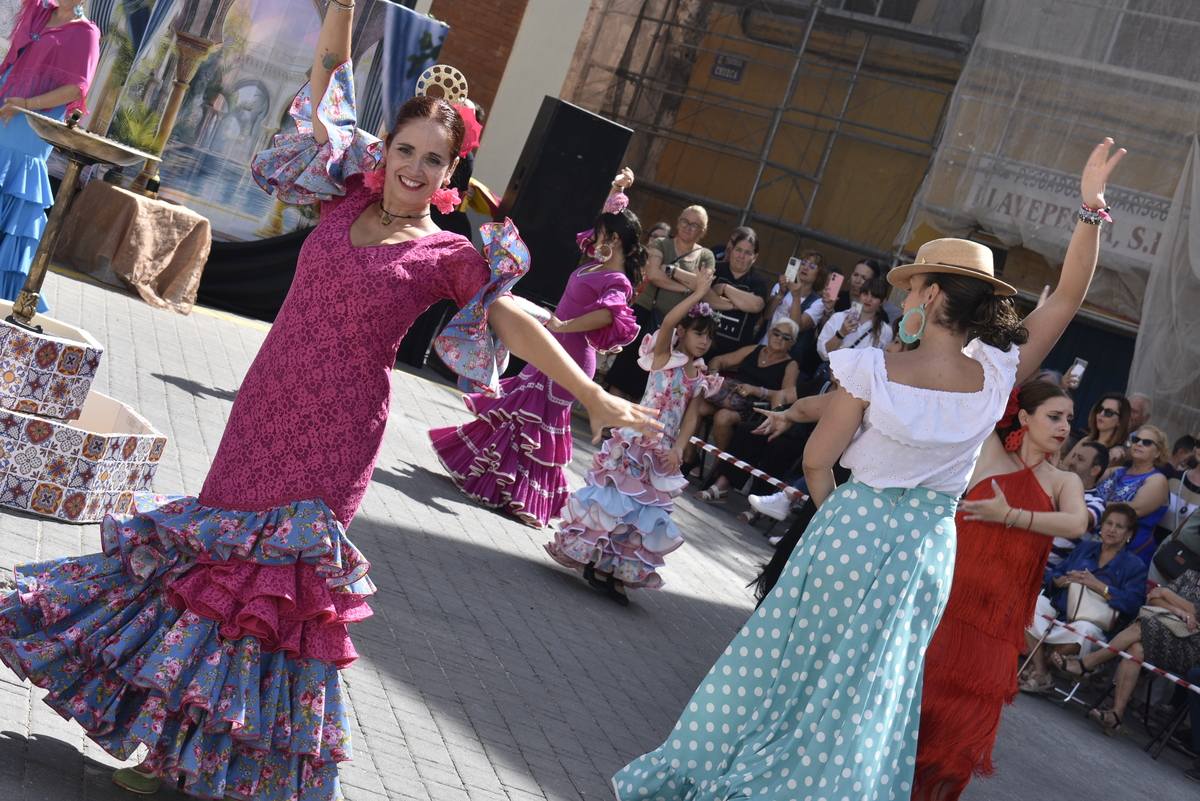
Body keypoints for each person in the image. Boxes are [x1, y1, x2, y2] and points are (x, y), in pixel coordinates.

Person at [0, 8, 662, 800]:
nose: (414, 168)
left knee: (269, 592)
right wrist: (345, 8)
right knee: (213, 568)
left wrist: (590, 392)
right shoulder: (343, 192)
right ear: (386, 150)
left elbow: (514, 317)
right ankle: (170, 746)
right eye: (405, 150)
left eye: (433, 160)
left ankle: (191, 763)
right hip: (265, 408)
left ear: (452, 174)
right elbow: (330, 78)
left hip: (337, 436)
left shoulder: (447, 252)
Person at [612, 138, 1126, 801]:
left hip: (852, 528)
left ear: (932, 293)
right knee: (872, 687)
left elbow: (817, 461)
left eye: (913, 285)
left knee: (790, 665)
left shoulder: (874, 367)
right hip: (926, 546)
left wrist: (844, 515)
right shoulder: (998, 372)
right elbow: (1068, 298)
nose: (906, 294)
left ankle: (742, 773)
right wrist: (1091, 208)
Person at [911, 380, 1089, 800]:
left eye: (1069, 419)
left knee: (955, 746)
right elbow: (982, 384)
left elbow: (1076, 524)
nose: (1064, 426)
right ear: (1024, 417)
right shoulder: (989, 454)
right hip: (942, 609)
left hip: (997, 629)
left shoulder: (1064, 482)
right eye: (1054, 416)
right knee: (908, 720)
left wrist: (1010, 515)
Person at [429, 191, 644, 527]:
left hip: (572, 356)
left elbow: (608, 316)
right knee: (517, 416)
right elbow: (592, 240)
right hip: (551, 347)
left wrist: (564, 324)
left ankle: (522, 497)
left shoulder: (617, 280)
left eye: (601, 232)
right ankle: (504, 489)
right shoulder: (597, 266)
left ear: (613, 239)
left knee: (533, 427)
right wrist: (615, 191)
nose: (593, 237)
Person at [545, 269, 722, 605]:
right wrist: (698, 293)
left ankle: (617, 569)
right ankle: (596, 560)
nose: (703, 342)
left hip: (663, 451)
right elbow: (669, 319)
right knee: (617, 504)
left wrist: (680, 449)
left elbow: (692, 417)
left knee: (641, 515)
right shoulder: (665, 357)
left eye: (708, 338)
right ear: (682, 333)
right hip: (637, 439)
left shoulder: (698, 374)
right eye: (698, 334)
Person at [0, 0, 98, 311]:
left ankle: (6, 299)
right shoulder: (38, 12)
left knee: (14, 195)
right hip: (6, 99)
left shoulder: (87, 33)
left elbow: (76, 89)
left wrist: (25, 104)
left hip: (31, 119)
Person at [1052, 564, 1198, 737]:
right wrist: (1177, 610)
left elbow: (1194, 611)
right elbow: (1153, 598)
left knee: (1142, 626)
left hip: (1192, 647)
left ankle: (1088, 664)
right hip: (1162, 629)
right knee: (1136, 647)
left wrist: (1167, 595)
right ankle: (1116, 715)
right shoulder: (1190, 575)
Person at [1023, 504, 1147, 693]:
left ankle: (1041, 671)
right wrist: (1063, 580)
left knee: (1084, 630)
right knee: (1033, 604)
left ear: (1129, 534)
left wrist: (1097, 585)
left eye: (1119, 526)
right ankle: (1041, 670)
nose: (1111, 530)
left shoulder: (1134, 565)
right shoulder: (1085, 548)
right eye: (1108, 523)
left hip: (1095, 622)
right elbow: (1054, 575)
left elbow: (1133, 604)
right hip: (1062, 609)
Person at [605, 205, 715, 400]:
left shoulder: (706, 256)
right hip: (645, 312)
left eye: (695, 225)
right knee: (626, 369)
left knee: (654, 377)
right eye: (685, 222)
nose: (688, 228)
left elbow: (705, 284)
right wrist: (690, 287)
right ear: (678, 222)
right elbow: (654, 274)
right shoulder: (662, 243)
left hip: (676, 324)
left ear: (703, 231)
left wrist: (672, 272)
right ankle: (609, 425)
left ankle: (631, 427)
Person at [686, 317, 800, 502]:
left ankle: (719, 468)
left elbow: (787, 395)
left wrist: (759, 391)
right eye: (777, 333)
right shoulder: (755, 350)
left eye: (786, 337)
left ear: (792, 344)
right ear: (769, 333)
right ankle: (689, 456)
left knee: (722, 417)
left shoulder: (790, 365)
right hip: (728, 396)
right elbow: (719, 360)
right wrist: (714, 373)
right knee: (699, 402)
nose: (780, 338)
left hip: (753, 406)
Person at [1094, 424, 1170, 565]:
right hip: (1096, 543)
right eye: (1136, 440)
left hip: (1127, 553)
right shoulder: (1118, 470)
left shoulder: (1157, 479)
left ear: (1158, 453)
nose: (1139, 444)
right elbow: (1086, 478)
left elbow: (1134, 510)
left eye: (1146, 443)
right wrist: (1107, 459)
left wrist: (1094, 503)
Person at [705, 227, 769, 357]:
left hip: (729, 361)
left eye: (748, 253)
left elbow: (755, 305)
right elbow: (704, 297)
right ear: (731, 250)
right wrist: (738, 304)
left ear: (755, 257)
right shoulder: (715, 269)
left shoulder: (758, 282)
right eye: (738, 250)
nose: (741, 256)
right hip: (698, 352)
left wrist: (725, 289)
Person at [758, 249, 828, 362]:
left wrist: (796, 297)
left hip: (786, 359)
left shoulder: (818, 303)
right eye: (803, 263)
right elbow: (766, 315)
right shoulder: (780, 287)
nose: (805, 268)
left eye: (812, 266)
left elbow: (797, 327)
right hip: (762, 347)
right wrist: (780, 293)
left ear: (819, 275)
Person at [1049, 439, 1110, 566]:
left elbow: (1077, 520)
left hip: (1043, 566)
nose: (1071, 462)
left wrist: (1053, 478)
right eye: (1073, 457)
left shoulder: (1097, 503)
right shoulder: (1056, 486)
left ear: (1095, 470)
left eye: (1080, 459)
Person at [814, 275, 894, 363]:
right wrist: (841, 333)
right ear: (860, 294)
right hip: (832, 374)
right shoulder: (838, 317)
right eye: (865, 294)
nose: (868, 299)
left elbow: (883, 363)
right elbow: (823, 353)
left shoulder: (885, 331)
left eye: (874, 296)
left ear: (882, 301)